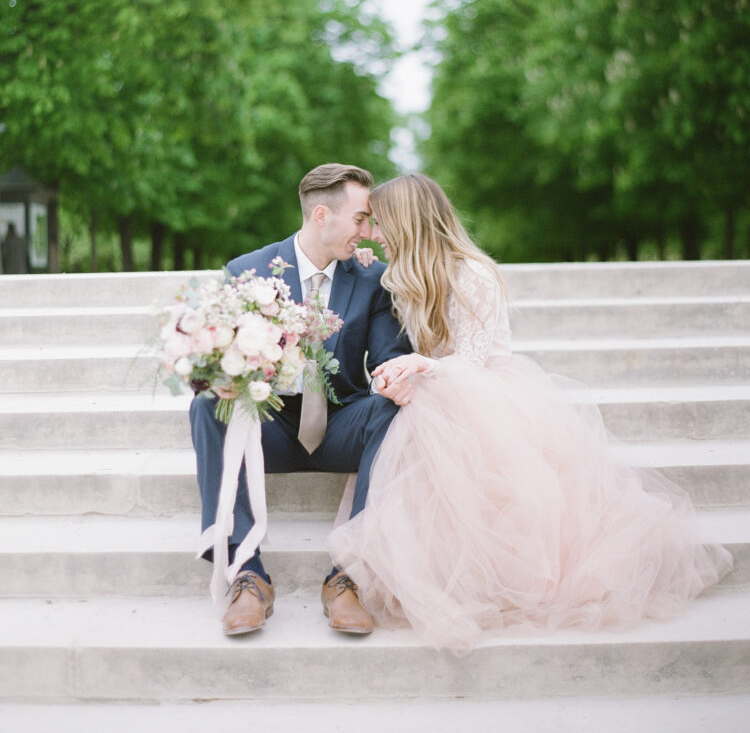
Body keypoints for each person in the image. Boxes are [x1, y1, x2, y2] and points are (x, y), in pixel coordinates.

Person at [329, 174, 733, 651]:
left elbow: (473, 362)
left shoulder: (472, 274)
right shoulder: (402, 275)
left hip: (483, 390)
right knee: (409, 425)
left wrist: (420, 363)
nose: (373, 233)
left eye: (381, 224)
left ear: (408, 223)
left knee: (449, 446)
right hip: (437, 386)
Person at [190, 163, 411, 637]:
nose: (369, 232)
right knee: (207, 404)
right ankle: (247, 574)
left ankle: (349, 574)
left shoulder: (373, 279)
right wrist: (226, 375)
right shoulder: (247, 271)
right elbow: (217, 354)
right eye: (360, 219)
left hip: (341, 426)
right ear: (322, 216)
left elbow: (389, 356)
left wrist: (397, 374)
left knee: (394, 409)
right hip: (270, 428)